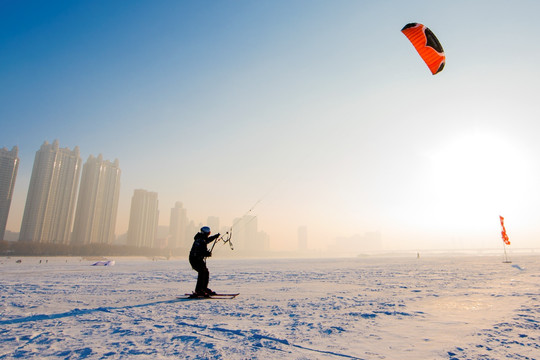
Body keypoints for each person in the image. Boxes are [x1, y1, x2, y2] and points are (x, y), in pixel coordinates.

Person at [189, 226, 220, 296]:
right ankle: (199, 290)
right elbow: (198, 251)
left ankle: (204, 288)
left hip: (198, 259)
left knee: (206, 272)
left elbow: (207, 240)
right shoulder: (200, 240)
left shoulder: (202, 238)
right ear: (207, 233)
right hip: (194, 259)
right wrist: (205, 253)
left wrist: (215, 236)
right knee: (202, 272)